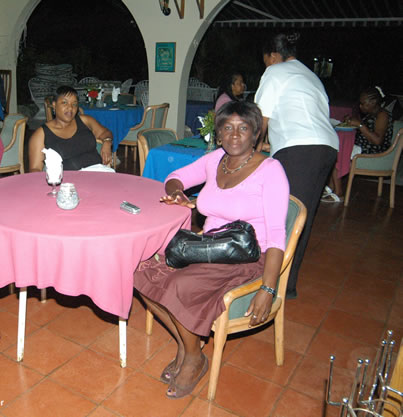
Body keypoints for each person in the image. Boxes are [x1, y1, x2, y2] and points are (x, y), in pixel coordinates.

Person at [135, 101, 289, 399]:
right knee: (139, 272)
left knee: (178, 286)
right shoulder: (215, 159)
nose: (234, 135)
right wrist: (177, 193)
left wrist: (268, 288)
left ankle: (194, 358)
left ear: (256, 134)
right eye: (227, 128)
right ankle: (187, 344)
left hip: (246, 258)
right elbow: (174, 177)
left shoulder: (271, 171)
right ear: (218, 134)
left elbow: (276, 236)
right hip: (206, 247)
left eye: (243, 128)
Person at [254, 33, 338, 299]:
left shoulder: (275, 72)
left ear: (273, 56)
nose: (266, 65)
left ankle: (273, 285)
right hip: (325, 149)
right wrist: (274, 145)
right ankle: (286, 283)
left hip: (301, 151)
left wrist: (249, 155)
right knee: (303, 216)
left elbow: (259, 121)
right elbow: (307, 117)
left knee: (283, 215)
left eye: (266, 60)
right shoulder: (310, 76)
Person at [323, 86, 395, 201]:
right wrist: (354, 121)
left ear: (374, 102)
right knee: (336, 146)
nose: (360, 106)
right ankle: (332, 186)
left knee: (338, 151)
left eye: (363, 104)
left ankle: (339, 192)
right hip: (366, 146)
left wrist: (360, 125)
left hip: (375, 150)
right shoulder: (372, 113)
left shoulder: (383, 115)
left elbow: (377, 141)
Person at [28, 85, 114, 171]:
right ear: (54, 105)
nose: (70, 108)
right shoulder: (41, 134)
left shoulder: (85, 120)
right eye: (64, 103)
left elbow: (105, 132)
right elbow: (35, 169)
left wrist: (107, 142)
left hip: (98, 173)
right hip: (67, 181)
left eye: (74, 104)